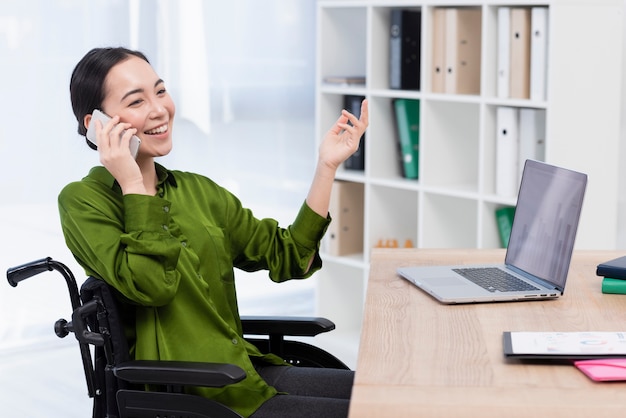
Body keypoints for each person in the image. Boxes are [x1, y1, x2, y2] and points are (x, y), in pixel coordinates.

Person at [58, 47, 368, 418]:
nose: (159, 109)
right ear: (97, 123)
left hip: (243, 370)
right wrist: (131, 182)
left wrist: (326, 166)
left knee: (392, 395)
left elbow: (289, 258)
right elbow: (153, 284)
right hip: (190, 394)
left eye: (160, 91)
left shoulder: (199, 191)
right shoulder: (82, 201)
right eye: (136, 100)